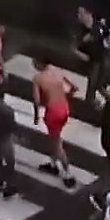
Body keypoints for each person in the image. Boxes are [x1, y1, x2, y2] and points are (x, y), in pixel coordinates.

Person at [32, 58, 79, 188]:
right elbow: (74, 88)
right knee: (55, 138)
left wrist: (36, 117)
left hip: (53, 112)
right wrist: (64, 96)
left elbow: (36, 101)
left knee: (56, 143)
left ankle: (68, 174)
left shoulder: (38, 78)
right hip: (64, 108)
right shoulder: (57, 71)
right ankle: (53, 163)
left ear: (39, 63)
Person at [75, 6, 110, 108]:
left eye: (81, 14)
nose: (78, 16)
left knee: (98, 86)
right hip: (92, 62)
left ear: (88, 14)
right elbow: (74, 47)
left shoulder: (99, 27)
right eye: (78, 14)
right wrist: (81, 55)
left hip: (99, 60)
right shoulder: (81, 31)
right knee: (94, 86)